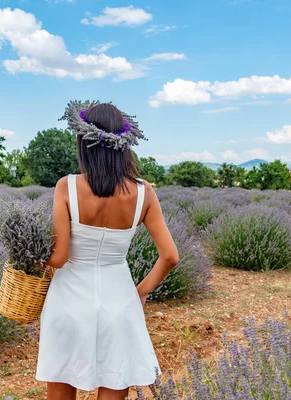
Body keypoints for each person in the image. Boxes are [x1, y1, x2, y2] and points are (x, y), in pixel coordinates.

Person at [36, 101, 179, 400]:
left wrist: (31, 256)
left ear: (84, 143)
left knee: (62, 380)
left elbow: (59, 258)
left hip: (68, 300)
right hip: (119, 299)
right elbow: (170, 256)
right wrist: (140, 291)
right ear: (124, 145)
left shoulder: (67, 187)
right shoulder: (144, 192)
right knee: (115, 380)